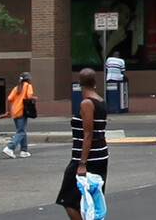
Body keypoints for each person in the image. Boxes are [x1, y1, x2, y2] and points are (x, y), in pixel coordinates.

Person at [56, 67, 108, 220]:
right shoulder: (100, 101)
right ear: (95, 83)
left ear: (80, 84)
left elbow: (88, 134)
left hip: (87, 158)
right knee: (91, 199)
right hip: (101, 156)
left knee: (67, 199)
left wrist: (82, 163)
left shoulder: (87, 104)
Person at [4, 70, 36, 158]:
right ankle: (10, 147)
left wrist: (8, 111)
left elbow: (9, 99)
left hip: (15, 111)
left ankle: (24, 150)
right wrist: (35, 98)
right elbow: (29, 96)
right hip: (22, 111)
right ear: (28, 79)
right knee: (21, 132)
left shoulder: (16, 88)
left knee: (22, 130)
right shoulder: (28, 86)